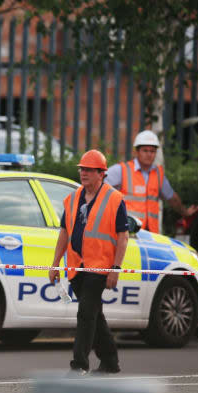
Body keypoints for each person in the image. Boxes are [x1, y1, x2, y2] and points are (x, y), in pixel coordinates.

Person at [49, 149, 129, 375]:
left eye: (89, 170)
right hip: (76, 266)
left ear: (101, 173)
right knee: (95, 314)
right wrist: (56, 264)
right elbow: (64, 232)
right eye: (82, 169)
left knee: (85, 313)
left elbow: (123, 236)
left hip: (100, 266)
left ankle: (79, 365)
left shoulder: (114, 199)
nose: (83, 173)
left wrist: (115, 268)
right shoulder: (73, 198)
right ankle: (110, 361)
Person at [105, 130, 196, 233]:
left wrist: (185, 212)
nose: (149, 154)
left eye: (152, 151)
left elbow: (172, 198)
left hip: (151, 234)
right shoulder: (121, 170)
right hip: (128, 231)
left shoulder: (158, 174)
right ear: (137, 151)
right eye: (145, 150)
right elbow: (99, 187)